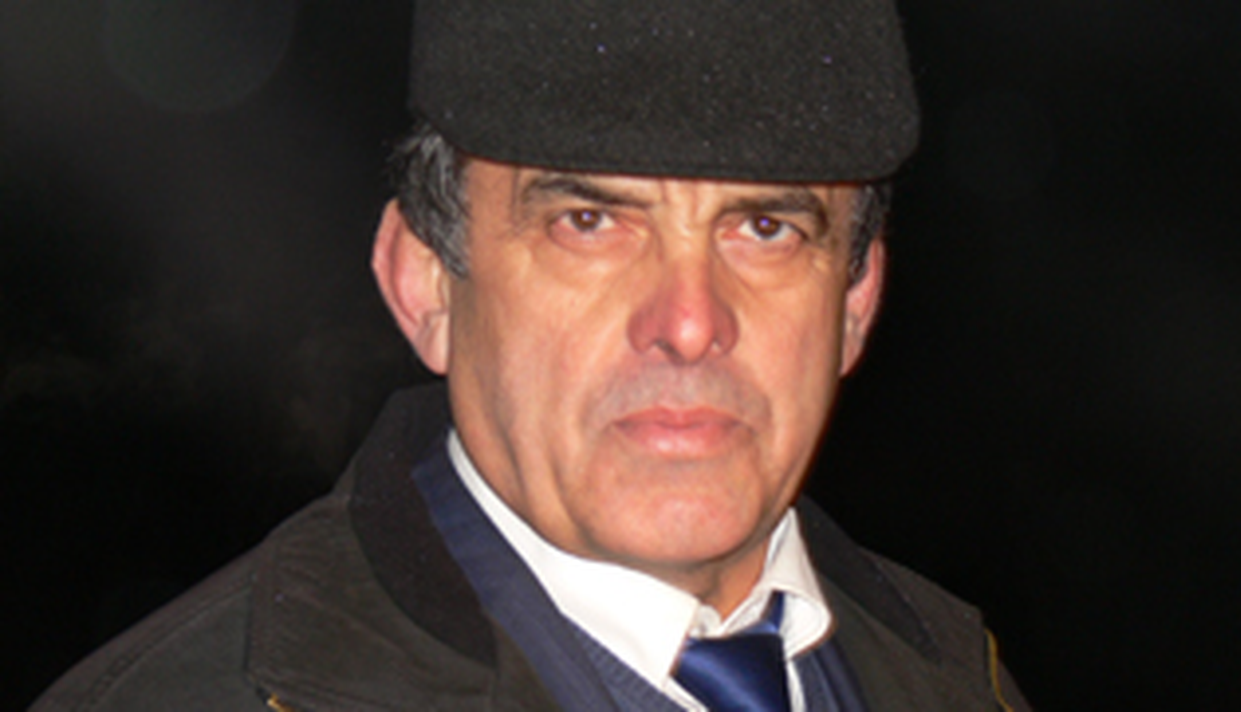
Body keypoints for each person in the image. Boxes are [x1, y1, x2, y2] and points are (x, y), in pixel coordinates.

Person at [33, 0, 1031, 710]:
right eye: (589, 222)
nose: (689, 322)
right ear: (426, 281)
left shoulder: (965, 680)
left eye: (765, 229)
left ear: (856, 299)